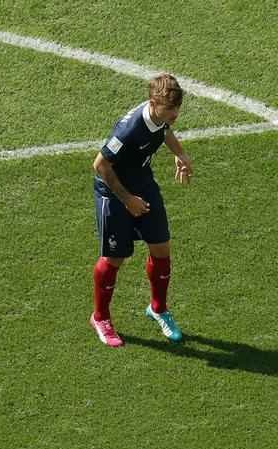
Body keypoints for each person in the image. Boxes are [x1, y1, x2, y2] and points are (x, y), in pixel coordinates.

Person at [89, 73, 193, 348]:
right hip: (114, 192)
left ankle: (158, 309)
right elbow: (100, 165)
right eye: (170, 109)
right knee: (115, 257)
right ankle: (100, 317)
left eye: (177, 108)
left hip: (143, 184)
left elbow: (164, 132)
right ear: (152, 103)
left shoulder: (160, 119)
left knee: (161, 247)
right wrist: (127, 200)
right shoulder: (129, 129)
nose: (175, 115)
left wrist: (180, 154)